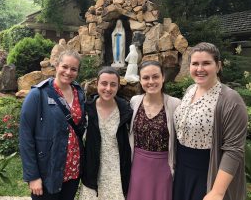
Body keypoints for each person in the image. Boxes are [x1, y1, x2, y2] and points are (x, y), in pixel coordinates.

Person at [173, 42, 248, 200]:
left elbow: (233, 150)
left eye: (206, 63)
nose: (200, 69)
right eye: (195, 64)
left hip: (209, 172)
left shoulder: (231, 100)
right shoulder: (190, 90)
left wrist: (217, 192)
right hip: (183, 170)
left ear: (218, 65)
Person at [19, 50, 86, 200]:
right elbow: (25, 136)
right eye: (65, 66)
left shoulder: (79, 93)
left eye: (74, 69)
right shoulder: (38, 94)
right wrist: (33, 176)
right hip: (48, 170)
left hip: (73, 169)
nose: (68, 72)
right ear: (56, 65)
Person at [127, 61, 181, 200]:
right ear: (140, 80)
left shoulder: (175, 104)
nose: (151, 81)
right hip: (138, 165)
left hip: (163, 167)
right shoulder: (134, 102)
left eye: (155, 77)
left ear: (163, 77)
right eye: (145, 78)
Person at [79, 67, 133, 200]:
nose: (108, 88)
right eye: (104, 83)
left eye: (113, 84)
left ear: (118, 87)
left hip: (117, 171)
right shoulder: (87, 109)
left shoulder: (126, 110)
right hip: (93, 170)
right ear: (97, 83)